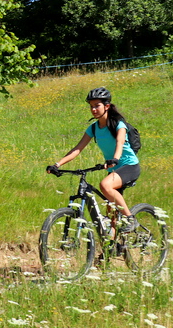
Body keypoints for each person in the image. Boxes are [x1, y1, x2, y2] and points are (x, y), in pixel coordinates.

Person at [46, 87, 140, 232]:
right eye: (91, 106)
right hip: (114, 169)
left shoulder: (118, 124)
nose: (93, 109)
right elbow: (77, 149)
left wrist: (114, 159)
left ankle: (130, 219)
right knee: (111, 213)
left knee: (105, 185)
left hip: (129, 166)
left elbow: (120, 142)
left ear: (107, 106)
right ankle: (110, 249)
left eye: (97, 105)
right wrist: (57, 164)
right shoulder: (94, 128)